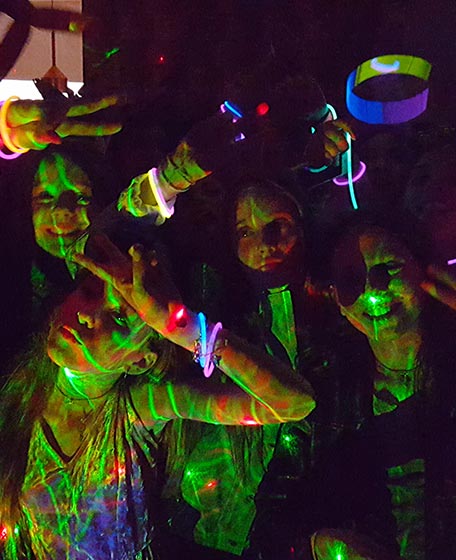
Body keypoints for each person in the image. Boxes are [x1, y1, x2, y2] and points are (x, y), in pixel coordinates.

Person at [0, 231, 315, 559]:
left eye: (119, 317)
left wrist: (182, 326)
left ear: (140, 360)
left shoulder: (142, 408)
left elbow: (294, 403)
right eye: (89, 292)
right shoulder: (17, 394)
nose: (87, 315)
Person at [163, 179, 370, 559]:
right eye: (245, 232)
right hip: (206, 533)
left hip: (306, 536)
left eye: (278, 225)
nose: (265, 243)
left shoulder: (344, 321)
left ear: (305, 228)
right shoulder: (216, 316)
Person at [329, 215, 456, 560]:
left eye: (388, 268)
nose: (373, 289)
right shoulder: (334, 396)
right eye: (352, 279)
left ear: (421, 270)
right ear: (336, 299)